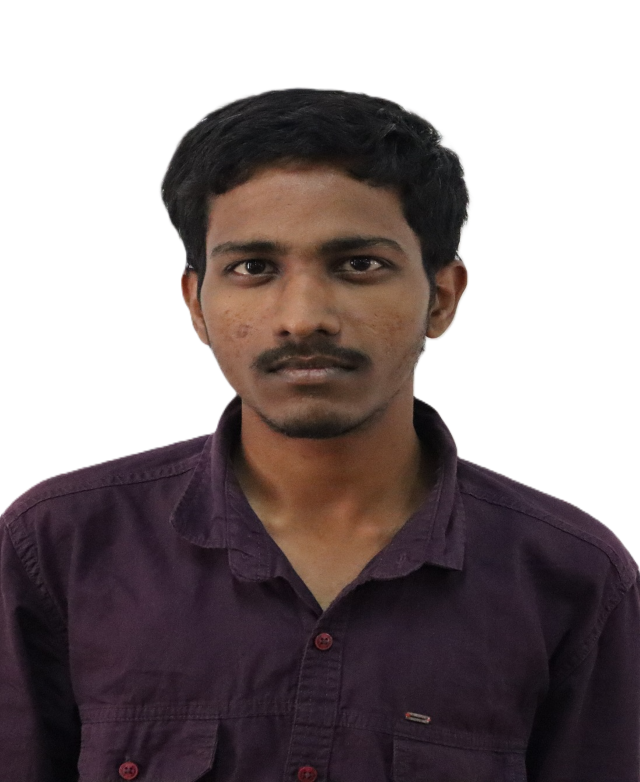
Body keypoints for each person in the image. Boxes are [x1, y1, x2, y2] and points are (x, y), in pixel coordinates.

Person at [0, 88, 638, 781]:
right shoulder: (59, 547)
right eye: (254, 268)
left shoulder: (571, 579)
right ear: (196, 303)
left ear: (443, 296)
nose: (303, 317)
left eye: (359, 264)